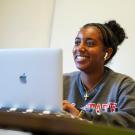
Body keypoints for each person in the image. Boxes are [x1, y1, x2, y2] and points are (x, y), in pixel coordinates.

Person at [63, 20, 135, 129]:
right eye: (77, 42)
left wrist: (81, 115)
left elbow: (130, 120)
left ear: (107, 53)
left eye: (90, 43)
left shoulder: (124, 85)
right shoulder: (61, 82)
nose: (80, 48)